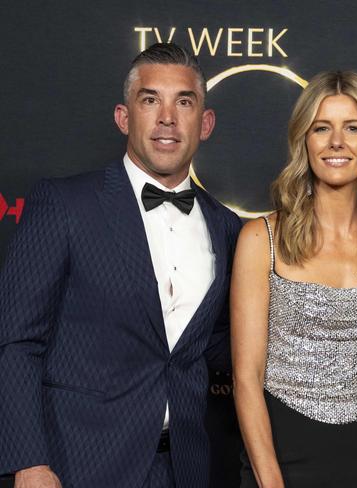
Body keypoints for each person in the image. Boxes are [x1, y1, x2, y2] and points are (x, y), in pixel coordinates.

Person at [0, 43, 241, 488]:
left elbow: (219, 344)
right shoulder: (65, 204)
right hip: (77, 464)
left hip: (186, 467)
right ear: (123, 117)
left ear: (204, 123)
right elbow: (16, 341)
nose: (167, 117)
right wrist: (28, 462)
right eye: (150, 100)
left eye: (183, 102)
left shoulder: (227, 227)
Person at [231, 70, 357, 488]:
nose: (337, 142)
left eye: (353, 128)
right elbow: (246, 380)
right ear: (304, 140)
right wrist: (270, 481)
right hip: (284, 459)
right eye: (322, 128)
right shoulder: (261, 239)